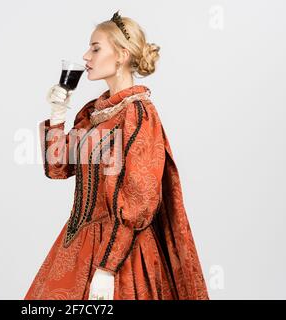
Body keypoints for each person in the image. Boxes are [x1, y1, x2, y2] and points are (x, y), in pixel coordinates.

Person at [24, 10, 209, 300]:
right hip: (79, 243)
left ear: (121, 55)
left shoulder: (138, 114)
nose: (86, 56)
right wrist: (58, 115)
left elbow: (142, 200)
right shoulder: (95, 112)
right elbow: (58, 168)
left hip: (123, 254)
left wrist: (108, 269)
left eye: (95, 48)